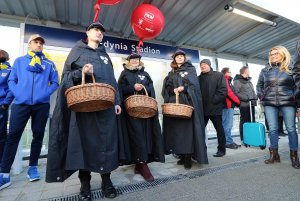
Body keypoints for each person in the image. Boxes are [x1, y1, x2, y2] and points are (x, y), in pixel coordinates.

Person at [46, 21, 125, 200]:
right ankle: (85, 185)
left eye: (101, 31)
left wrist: (117, 101)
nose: (99, 33)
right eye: (96, 30)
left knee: (107, 144)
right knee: (84, 145)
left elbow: (112, 81)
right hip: (84, 108)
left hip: (106, 108)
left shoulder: (105, 55)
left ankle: (107, 182)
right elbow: (65, 78)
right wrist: (81, 72)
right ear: (87, 32)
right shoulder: (77, 51)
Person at [0, 34, 59, 190]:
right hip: (20, 104)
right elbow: (11, 80)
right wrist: (18, 92)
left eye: (41, 42)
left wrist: (45, 93)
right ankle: (4, 173)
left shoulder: (49, 63)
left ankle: (33, 167)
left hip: (41, 105)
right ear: (29, 44)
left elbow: (55, 82)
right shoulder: (19, 62)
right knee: (13, 136)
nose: (38, 44)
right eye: (35, 42)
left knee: (38, 135)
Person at [118, 53, 165, 181]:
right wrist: (132, 87)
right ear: (128, 61)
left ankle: (140, 164)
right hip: (132, 110)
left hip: (146, 109)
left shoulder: (145, 74)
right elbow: (120, 89)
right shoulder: (124, 74)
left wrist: (144, 87)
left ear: (139, 61)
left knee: (146, 135)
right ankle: (142, 164)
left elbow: (151, 88)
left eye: (136, 59)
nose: (134, 61)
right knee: (136, 135)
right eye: (132, 59)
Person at [162, 49, 208, 169]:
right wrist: (173, 90)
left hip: (187, 104)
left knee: (188, 132)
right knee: (177, 131)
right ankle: (181, 155)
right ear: (174, 59)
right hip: (175, 105)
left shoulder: (191, 69)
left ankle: (188, 157)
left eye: (181, 56)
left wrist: (185, 88)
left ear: (184, 58)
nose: (180, 58)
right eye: (177, 57)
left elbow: (195, 86)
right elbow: (167, 88)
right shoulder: (171, 73)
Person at [257, 45, 299, 169]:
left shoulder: (291, 68)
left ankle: (294, 156)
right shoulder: (265, 70)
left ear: (283, 54)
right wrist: (261, 96)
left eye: (276, 53)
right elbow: (259, 86)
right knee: (273, 129)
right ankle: (274, 154)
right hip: (269, 103)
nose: (273, 56)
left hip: (288, 102)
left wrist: (295, 99)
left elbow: (298, 86)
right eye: (271, 54)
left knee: (291, 129)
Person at [198, 59, 227, 157]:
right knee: (199, 131)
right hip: (203, 109)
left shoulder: (218, 75)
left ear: (209, 65)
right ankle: (202, 150)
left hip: (215, 108)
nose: (203, 66)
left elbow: (223, 91)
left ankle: (222, 150)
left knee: (219, 130)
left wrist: (213, 101)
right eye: (201, 65)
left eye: (205, 64)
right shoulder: (198, 78)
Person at [233, 66, 257, 143]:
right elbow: (236, 92)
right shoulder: (237, 81)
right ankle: (244, 137)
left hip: (251, 104)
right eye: (248, 70)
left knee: (252, 120)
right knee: (244, 120)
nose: (249, 72)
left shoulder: (248, 80)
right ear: (245, 71)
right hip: (244, 105)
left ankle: (251, 136)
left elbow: (252, 91)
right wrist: (247, 98)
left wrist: (254, 97)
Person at [221, 67, 240, 149]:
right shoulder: (225, 80)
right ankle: (228, 142)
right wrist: (238, 101)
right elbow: (229, 93)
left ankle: (229, 141)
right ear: (225, 73)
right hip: (227, 105)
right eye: (229, 72)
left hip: (228, 105)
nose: (231, 73)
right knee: (227, 125)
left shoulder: (228, 81)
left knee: (227, 124)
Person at [0, 50, 14, 164]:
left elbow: (11, 88)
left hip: (1, 105)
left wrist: (5, 103)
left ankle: (1, 161)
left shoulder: (9, 70)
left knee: (1, 134)